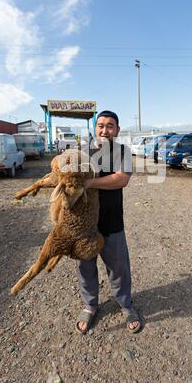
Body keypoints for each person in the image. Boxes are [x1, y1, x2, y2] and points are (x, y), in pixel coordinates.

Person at [75, 110, 141, 334]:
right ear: (95, 128)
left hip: (112, 221)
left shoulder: (123, 151)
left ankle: (126, 304)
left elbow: (122, 179)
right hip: (84, 224)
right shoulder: (83, 152)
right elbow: (71, 180)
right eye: (101, 125)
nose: (105, 130)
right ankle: (90, 305)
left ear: (117, 130)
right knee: (85, 267)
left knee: (119, 267)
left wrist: (90, 183)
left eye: (110, 126)